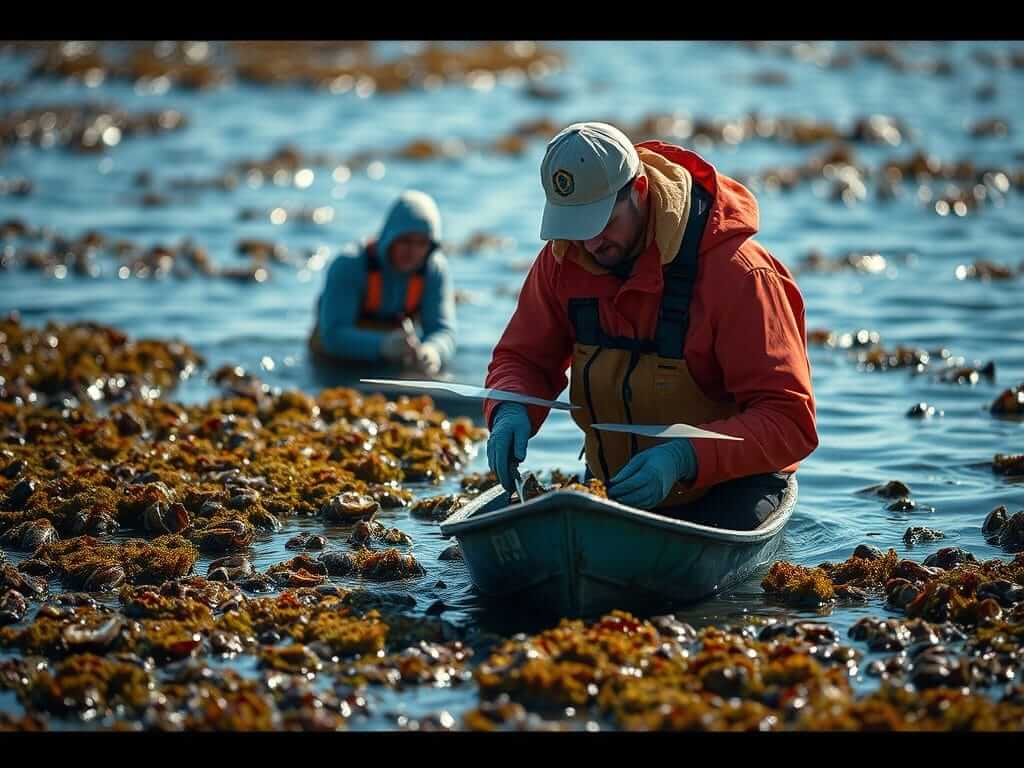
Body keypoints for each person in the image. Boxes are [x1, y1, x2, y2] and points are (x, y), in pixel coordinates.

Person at [483, 122, 818, 529]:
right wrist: (509, 408)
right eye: (575, 226)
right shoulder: (562, 260)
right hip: (616, 485)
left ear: (639, 191)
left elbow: (790, 422)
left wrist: (683, 457)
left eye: (601, 223)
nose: (589, 244)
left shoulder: (739, 274)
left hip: (731, 488)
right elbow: (523, 359)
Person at [309, 190, 455, 375]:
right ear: (390, 237)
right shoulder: (349, 265)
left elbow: (443, 331)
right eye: (405, 241)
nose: (413, 251)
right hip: (335, 363)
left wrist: (433, 351)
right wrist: (382, 345)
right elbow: (333, 335)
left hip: (394, 360)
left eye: (421, 243)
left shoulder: (434, 270)